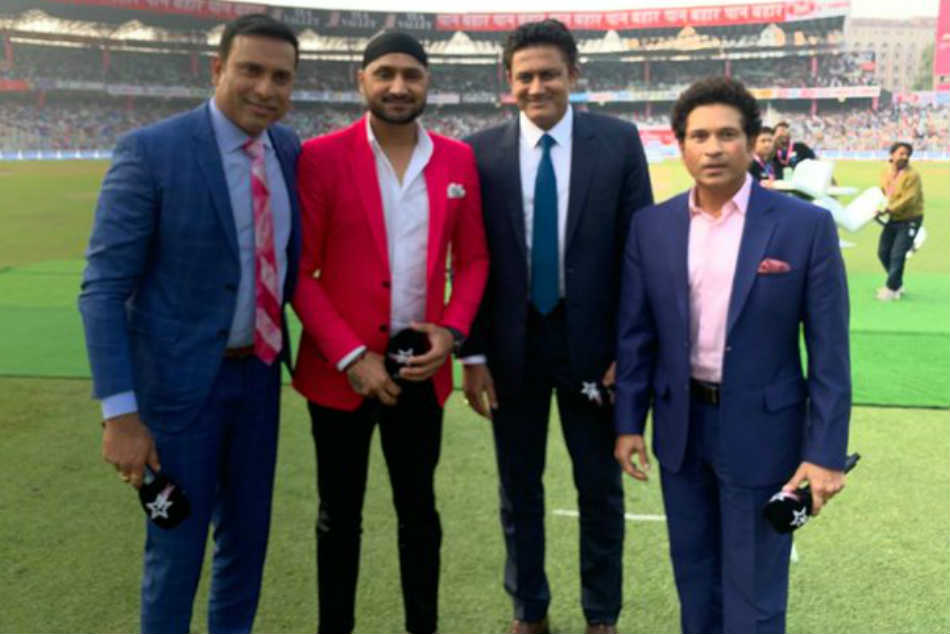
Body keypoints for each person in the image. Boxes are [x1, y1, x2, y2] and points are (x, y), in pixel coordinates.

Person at [78, 14, 301, 634]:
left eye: (281, 77)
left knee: (247, 545)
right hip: (177, 394)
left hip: (258, 380)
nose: (265, 88)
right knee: (175, 549)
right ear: (217, 69)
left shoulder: (287, 149)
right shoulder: (151, 151)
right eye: (250, 70)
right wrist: (120, 414)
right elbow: (102, 289)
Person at [614, 77, 851, 634]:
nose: (713, 148)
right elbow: (636, 336)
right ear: (680, 145)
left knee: (755, 592)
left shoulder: (804, 226)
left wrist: (825, 453)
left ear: (751, 142)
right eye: (699, 136)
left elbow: (830, 352)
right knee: (695, 581)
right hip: (681, 428)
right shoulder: (652, 227)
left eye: (727, 134)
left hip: (764, 432)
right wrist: (628, 423)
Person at [292, 31, 489, 634]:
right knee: (338, 515)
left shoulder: (457, 159)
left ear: (428, 82)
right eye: (385, 74)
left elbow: (474, 260)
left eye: (411, 74)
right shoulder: (320, 156)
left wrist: (451, 332)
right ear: (362, 80)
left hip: (420, 369)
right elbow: (301, 271)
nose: (398, 86)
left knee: (419, 513)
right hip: (339, 372)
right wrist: (352, 355)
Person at [460, 19, 653, 634]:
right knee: (518, 487)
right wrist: (473, 355)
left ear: (573, 73)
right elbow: (468, 257)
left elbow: (640, 253)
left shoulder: (618, 142)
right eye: (525, 76)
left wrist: (630, 349)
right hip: (511, 349)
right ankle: (529, 611)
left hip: (592, 348)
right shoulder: (478, 151)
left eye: (549, 73)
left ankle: (601, 615)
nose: (537, 86)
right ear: (508, 80)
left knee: (599, 488)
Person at [875, 141, 924, 301]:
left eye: (907, 154)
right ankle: (897, 284)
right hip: (893, 217)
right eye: (901, 153)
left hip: (910, 218)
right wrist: (876, 208)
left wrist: (889, 209)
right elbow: (883, 192)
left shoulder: (913, 175)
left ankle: (890, 288)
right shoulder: (886, 171)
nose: (905, 157)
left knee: (898, 254)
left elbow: (909, 198)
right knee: (883, 252)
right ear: (892, 154)